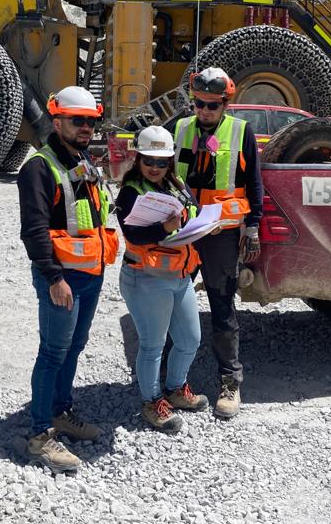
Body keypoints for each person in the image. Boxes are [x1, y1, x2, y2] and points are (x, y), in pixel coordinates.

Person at [17, 86, 120, 473]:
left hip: (90, 274)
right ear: (56, 121)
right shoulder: (39, 168)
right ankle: (40, 434)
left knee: (75, 346)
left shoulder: (83, 162)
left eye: (90, 122)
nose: (85, 128)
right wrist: (54, 279)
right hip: (62, 279)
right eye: (77, 121)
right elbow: (35, 231)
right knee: (53, 353)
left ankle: (61, 411)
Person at [173, 67, 263, 419]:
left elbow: (254, 183)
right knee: (171, 302)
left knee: (222, 307)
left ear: (226, 103)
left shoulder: (240, 132)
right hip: (182, 229)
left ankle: (230, 381)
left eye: (213, 105)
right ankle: (173, 381)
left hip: (220, 234)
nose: (205, 111)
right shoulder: (181, 130)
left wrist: (252, 227)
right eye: (199, 104)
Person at [116, 125, 209, 434]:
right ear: (138, 159)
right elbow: (132, 234)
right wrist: (165, 226)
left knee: (189, 340)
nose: (155, 168)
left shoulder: (176, 185)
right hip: (146, 277)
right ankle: (152, 401)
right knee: (153, 345)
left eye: (161, 162)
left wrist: (204, 224)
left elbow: (192, 209)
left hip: (179, 275)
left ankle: (174, 389)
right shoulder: (130, 191)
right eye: (149, 161)